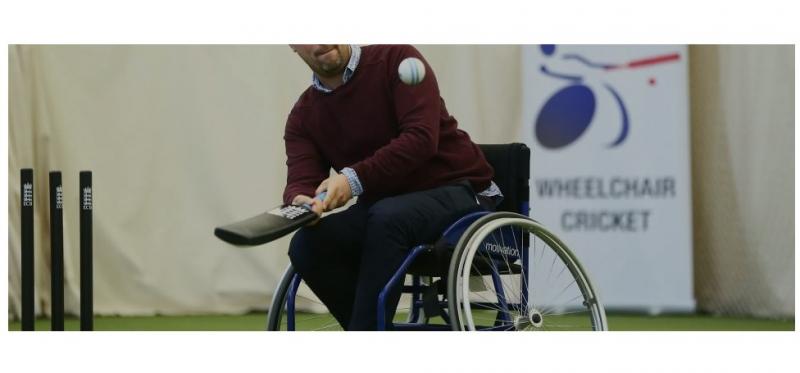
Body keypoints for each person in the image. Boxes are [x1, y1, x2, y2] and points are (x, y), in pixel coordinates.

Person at [284, 44, 500, 330]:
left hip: (458, 189)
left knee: (387, 217)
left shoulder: (399, 59)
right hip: (384, 210)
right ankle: (373, 330)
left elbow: (421, 139)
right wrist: (302, 201)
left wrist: (351, 181)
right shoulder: (302, 116)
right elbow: (302, 178)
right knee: (307, 244)